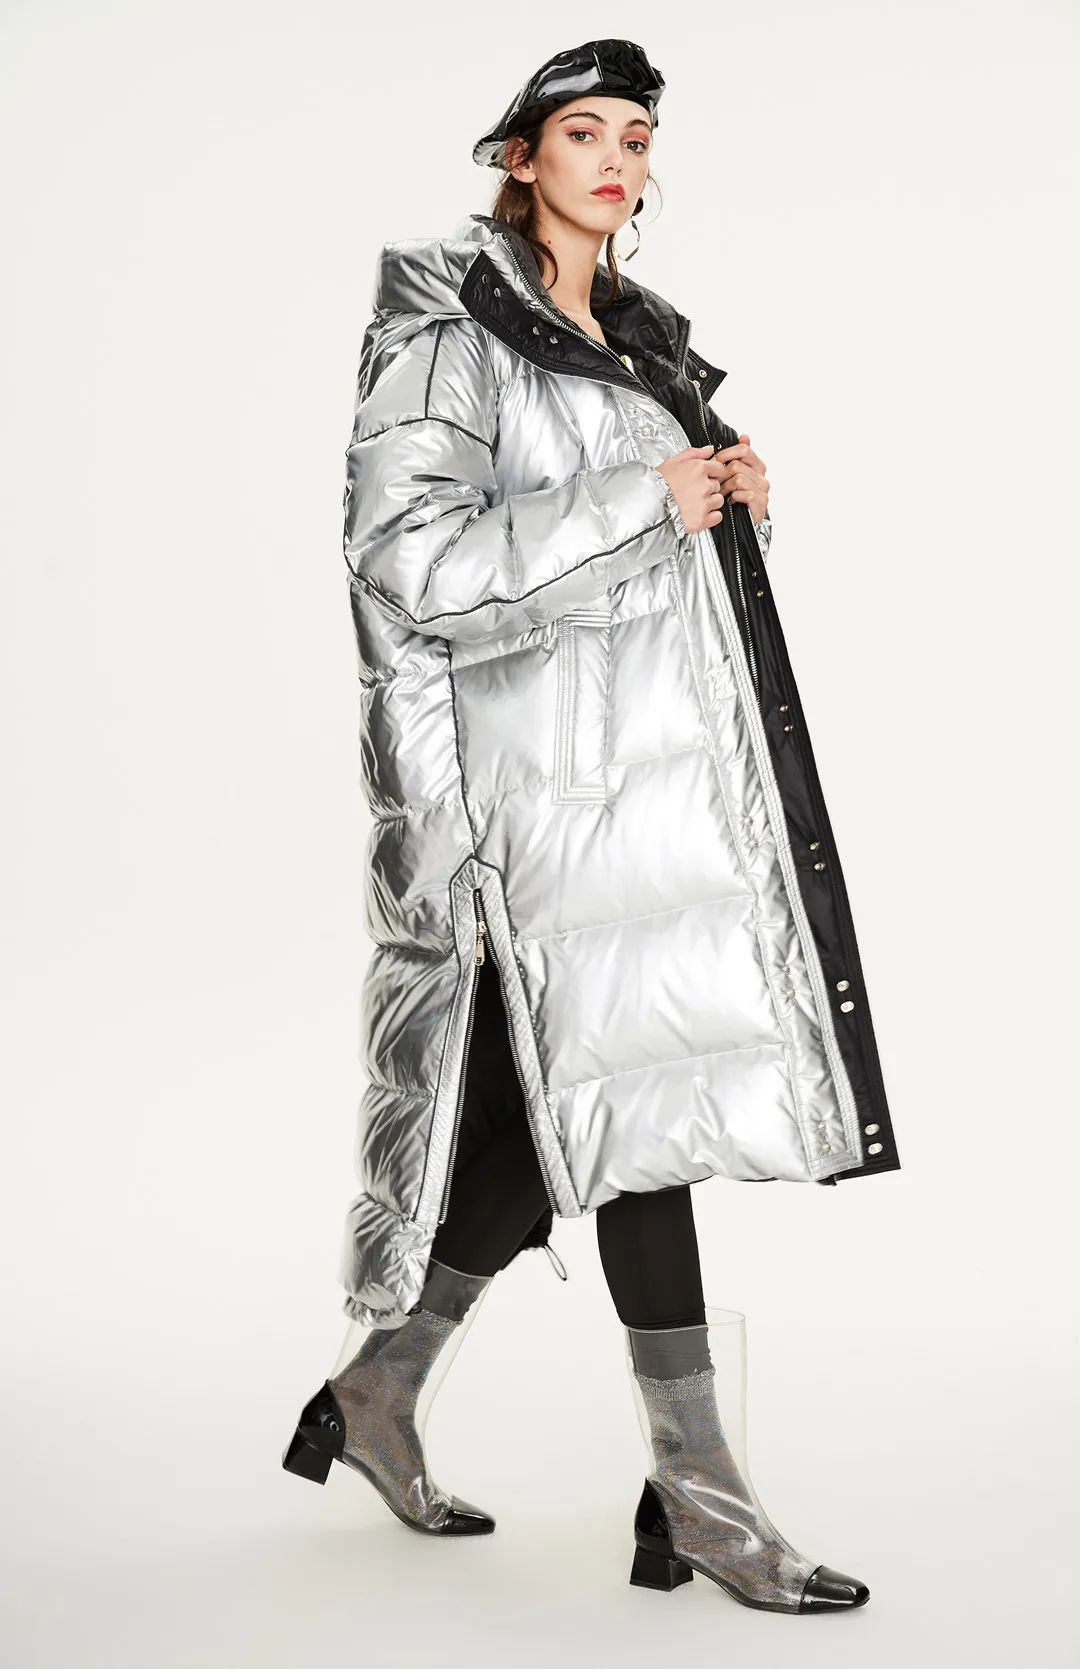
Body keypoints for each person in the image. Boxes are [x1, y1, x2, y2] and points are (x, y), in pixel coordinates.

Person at [283, 38, 899, 1614]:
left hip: (633, 792)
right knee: (630, 1119)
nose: (618, 158)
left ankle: (374, 1392)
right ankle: (701, 1496)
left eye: (637, 134)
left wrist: (725, 498)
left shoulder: (637, 336)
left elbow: (634, 578)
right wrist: (642, 500)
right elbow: (410, 561)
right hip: (521, 801)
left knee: (539, 1135)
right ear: (521, 156)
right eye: (585, 132)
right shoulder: (446, 323)